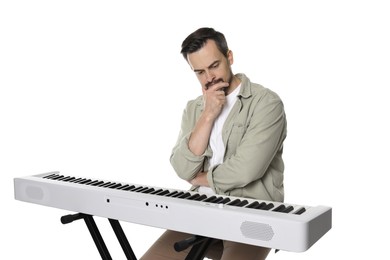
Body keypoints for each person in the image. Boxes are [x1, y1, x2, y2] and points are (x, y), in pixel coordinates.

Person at [141, 27, 287, 260]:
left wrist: (201, 178)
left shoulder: (266, 103)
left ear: (229, 57)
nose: (209, 78)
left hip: (252, 212)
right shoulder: (195, 108)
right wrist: (208, 115)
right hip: (199, 209)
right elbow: (181, 167)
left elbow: (247, 169)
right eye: (199, 72)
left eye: (214, 66)